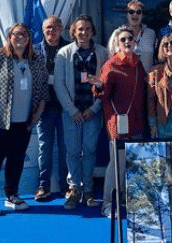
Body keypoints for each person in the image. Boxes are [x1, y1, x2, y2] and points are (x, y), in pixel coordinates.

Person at [0, 23, 48, 215]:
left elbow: (43, 90)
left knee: (16, 159)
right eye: (16, 34)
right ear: (9, 37)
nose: (20, 38)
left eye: (25, 35)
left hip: (23, 121)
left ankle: (12, 195)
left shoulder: (35, 61)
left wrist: (36, 116)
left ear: (29, 39)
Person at [54, 15, 110, 210]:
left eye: (87, 29)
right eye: (80, 29)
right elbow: (59, 84)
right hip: (72, 113)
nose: (84, 33)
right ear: (73, 32)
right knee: (72, 152)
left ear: (92, 31)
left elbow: (106, 83)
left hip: (92, 112)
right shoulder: (63, 53)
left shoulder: (103, 53)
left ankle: (88, 189)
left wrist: (95, 109)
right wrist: (72, 110)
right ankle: (74, 189)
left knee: (90, 151)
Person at [91, 26, 147, 218]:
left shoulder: (138, 64)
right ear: (116, 43)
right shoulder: (111, 65)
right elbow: (102, 92)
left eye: (130, 38)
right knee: (117, 165)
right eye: (122, 39)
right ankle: (108, 203)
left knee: (133, 164)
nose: (126, 42)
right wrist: (99, 86)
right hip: (118, 122)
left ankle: (125, 199)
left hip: (137, 121)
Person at [33, 16, 69, 202]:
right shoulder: (34, 50)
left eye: (55, 28)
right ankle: (43, 186)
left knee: (65, 148)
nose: (51, 32)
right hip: (43, 108)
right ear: (42, 29)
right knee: (44, 147)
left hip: (65, 107)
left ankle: (65, 187)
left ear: (61, 29)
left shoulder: (70, 49)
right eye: (47, 28)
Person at [147, 34, 172, 140]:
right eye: (165, 44)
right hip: (163, 122)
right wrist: (152, 124)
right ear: (162, 50)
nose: (169, 46)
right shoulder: (155, 72)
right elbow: (151, 100)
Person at [108, 0, 157, 73]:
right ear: (127, 15)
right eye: (131, 12)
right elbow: (110, 57)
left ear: (142, 15)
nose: (135, 15)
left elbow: (156, 58)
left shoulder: (151, 34)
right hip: (125, 79)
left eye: (138, 12)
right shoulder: (117, 33)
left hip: (147, 80)